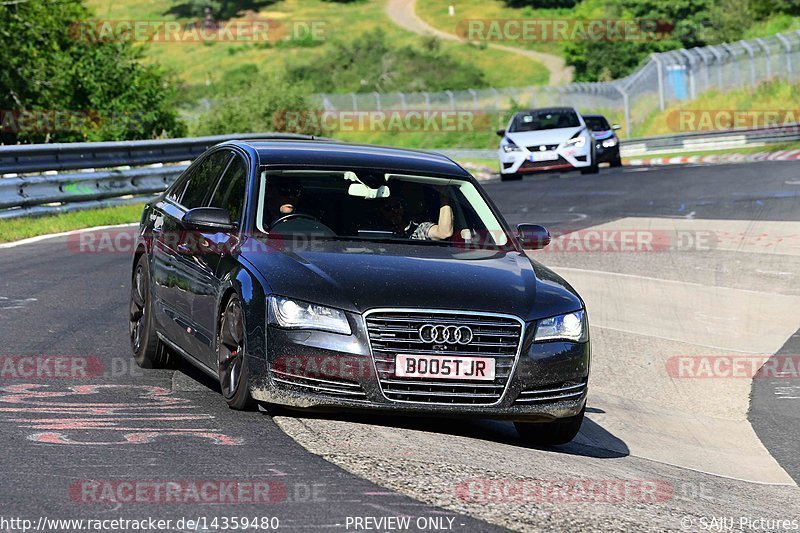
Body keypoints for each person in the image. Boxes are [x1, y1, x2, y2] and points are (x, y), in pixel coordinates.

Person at [380, 186, 453, 241]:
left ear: (403, 207)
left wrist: (444, 197)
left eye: (397, 206)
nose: (395, 211)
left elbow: (444, 233)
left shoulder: (418, 229)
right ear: (380, 211)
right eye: (388, 208)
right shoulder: (373, 233)